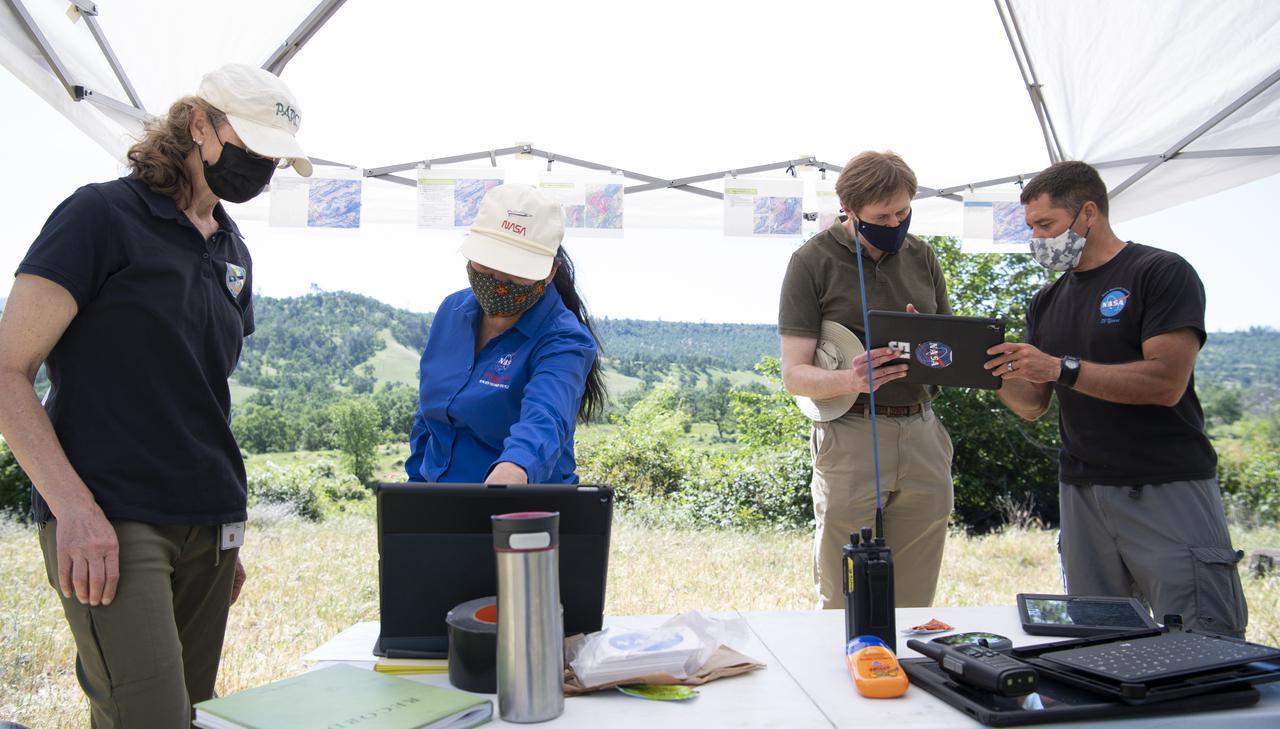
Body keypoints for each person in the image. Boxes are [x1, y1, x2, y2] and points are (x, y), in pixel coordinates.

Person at [0, 64, 310, 726]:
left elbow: (201, 393)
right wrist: (73, 510)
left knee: (192, 715)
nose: (261, 168)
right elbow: (7, 371)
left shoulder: (234, 250)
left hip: (210, 523)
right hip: (113, 516)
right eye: (251, 146)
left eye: (274, 159)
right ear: (198, 125)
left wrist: (223, 527)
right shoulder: (102, 215)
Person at [985, 160, 1247, 637]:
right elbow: (1032, 404)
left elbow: (1165, 383)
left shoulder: (1159, 272)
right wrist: (974, 365)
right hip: (1082, 491)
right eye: (1031, 229)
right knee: (1096, 644)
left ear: (1088, 213)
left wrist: (1062, 367)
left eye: (1046, 225)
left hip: (1165, 485)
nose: (1038, 239)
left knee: (1202, 641)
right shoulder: (1046, 300)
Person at [779, 151, 954, 609]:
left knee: (915, 595)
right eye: (882, 216)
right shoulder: (810, 262)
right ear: (849, 207)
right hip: (851, 432)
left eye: (903, 212)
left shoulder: (923, 255)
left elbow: (951, 351)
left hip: (922, 431)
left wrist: (929, 342)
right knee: (843, 591)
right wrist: (850, 379)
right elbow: (794, 375)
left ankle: (903, 675)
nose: (895, 223)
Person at [405, 184, 604, 485]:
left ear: (550, 272)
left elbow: (546, 418)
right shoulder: (452, 312)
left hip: (522, 507)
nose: (498, 279)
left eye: (515, 269)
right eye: (490, 261)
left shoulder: (564, 340)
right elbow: (429, 417)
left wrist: (515, 467)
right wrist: (416, 486)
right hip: (439, 502)